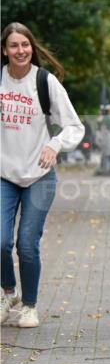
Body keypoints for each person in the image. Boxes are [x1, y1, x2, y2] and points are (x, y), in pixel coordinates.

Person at [1, 22, 84, 328]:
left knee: (26, 244)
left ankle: (29, 305)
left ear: (31, 48)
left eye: (25, 45)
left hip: (39, 175)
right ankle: (7, 293)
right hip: (4, 175)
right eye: (13, 45)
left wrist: (55, 143)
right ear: (4, 50)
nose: (20, 51)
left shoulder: (44, 82)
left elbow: (75, 126)